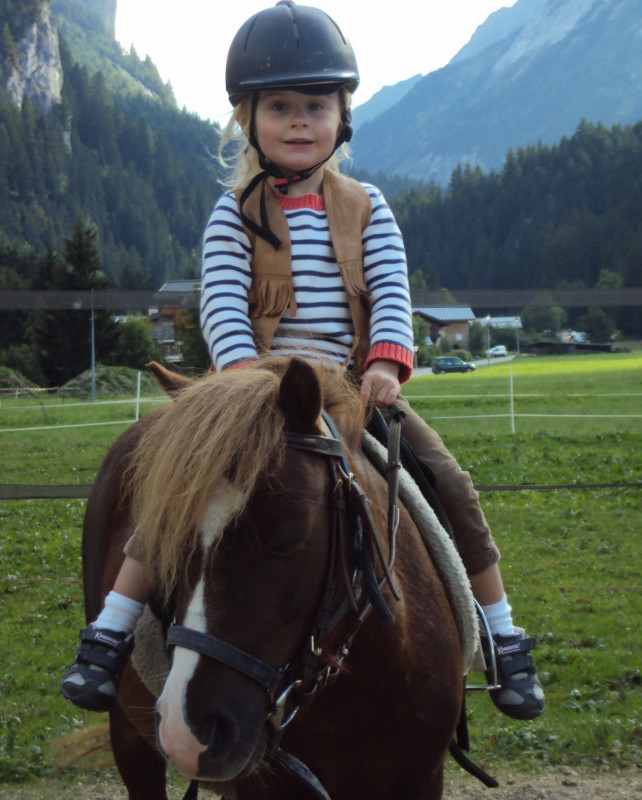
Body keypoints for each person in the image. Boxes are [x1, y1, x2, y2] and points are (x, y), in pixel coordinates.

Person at [61, 0, 544, 722]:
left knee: (449, 486)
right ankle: (110, 633)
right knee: (176, 493)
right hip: (255, 390)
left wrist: (387, 361)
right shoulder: (232, 215)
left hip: (356, 389)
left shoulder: (369, 207)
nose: (298, 121)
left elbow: (390, 290)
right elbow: (222, 302)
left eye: (315, 105)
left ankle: (504, 638)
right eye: (279, 106)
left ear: (341, 117)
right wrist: (239, 380)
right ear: (247, 119)